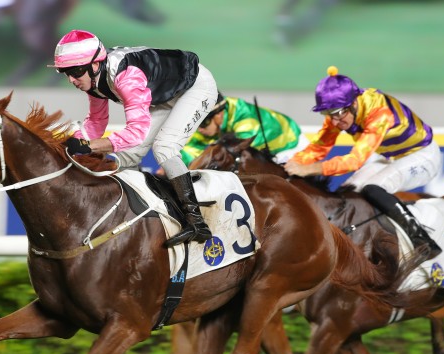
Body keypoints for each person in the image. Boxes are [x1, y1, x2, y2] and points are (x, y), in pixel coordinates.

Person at [50, 29, 218, 247]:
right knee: (128, 156)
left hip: (195, 88)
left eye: (75, 71)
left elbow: (136, 132)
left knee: (164, 148)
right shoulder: (93, 79)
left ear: (95, 65)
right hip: (164, 95)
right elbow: (96, 123)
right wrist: (70, 143)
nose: (72, 79)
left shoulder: (126, 77)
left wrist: (90, 146)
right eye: (66, 72)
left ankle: (197, 222)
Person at [284, 66, 442, 261]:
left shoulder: (379, 112)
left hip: (422, 155)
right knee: (347, 193)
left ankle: (422, 240)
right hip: (390, 155)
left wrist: (308, 169)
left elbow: (354, 161)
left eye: (338, 114)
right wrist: (290, 164)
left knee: (373, 188)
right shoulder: (338, 112)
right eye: (328, 114)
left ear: (353, 104)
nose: (334, 122)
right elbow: (319, 147)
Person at [181, 92, 311, 167]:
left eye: (203, 123)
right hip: (263, 152)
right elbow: (191, 150)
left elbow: (236, 151)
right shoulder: (211, 122)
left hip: (290, 147)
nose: (199, 129)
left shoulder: (245, 118)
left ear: (218, 115)